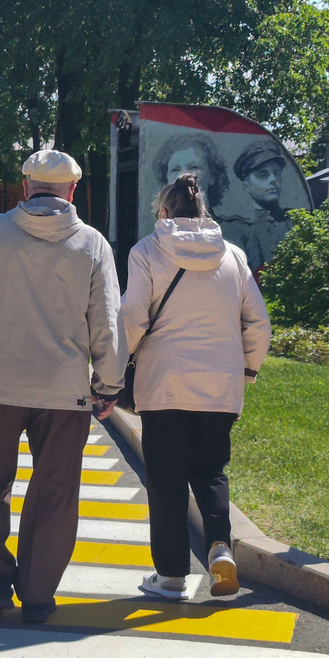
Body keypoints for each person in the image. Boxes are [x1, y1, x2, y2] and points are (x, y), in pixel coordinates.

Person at [0, 149, 124, 624]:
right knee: (56, 489)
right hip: (66, 392)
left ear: (25, 187)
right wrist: (107, 385)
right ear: (73, 191)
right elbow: (106, 323)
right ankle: (39, 593)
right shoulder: (93, 245)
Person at [120, 172, 270, 602]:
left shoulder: (147, 251)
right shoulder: (234, 257)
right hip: (220, 385)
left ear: (164, 213)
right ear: (203, 212)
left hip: (163, 383)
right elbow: (258, 322)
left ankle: (170, 576)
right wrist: (248, 369)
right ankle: (220, 547)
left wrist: (113, 369)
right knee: (210, 472)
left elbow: (133, 317)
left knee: (166, 479)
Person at [220, 139, 295, 272]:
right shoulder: (236, 229)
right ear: (246, 186)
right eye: (263, 174)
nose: (273, 180)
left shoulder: (296, 220)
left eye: (277, 173)